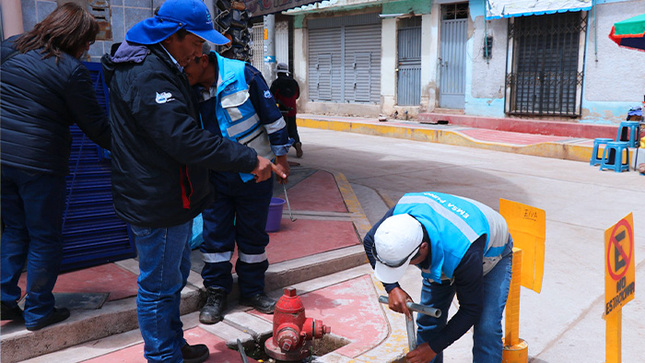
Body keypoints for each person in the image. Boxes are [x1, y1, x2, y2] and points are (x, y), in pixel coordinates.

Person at [100, 0, 283, 361]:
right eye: (197, 44)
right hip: (158, 198)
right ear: (174, 35)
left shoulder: (160, 65)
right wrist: (247, 158)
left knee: (172, 279)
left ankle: (172, 345)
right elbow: (183, 137)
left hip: (171, 193)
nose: (200, 53)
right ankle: (163, 355)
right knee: (158, 287)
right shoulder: (148, 73)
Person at [0, 3, 111, 331]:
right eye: (87, 41)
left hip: (2, 158)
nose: (87, 48)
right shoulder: (71, 70)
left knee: (15, 229)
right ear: (76, 37)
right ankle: (38, 312)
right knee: (45, 237)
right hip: (39, 163)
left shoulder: (10, 46)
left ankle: (4, 297)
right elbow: (96, 128)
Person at [184, 45, 291, 324]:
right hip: (215, 178)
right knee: (215, 239)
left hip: (256, 176)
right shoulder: (190, 89)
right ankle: (217, 292)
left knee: (253, 236)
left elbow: (273, 120)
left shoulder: (243, 75)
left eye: (187, 66)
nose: (183, 71)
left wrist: (281, 160)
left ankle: (253, 290)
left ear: (203, 60)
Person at [364, 191, 513, 363]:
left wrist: (433, 347)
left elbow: (471, 309)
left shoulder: (463, 251)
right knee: (429, 322)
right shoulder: (400, 218)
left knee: (486, 327)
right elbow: (369, 241)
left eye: (408, 263)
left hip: (491, 254)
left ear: (423, 247)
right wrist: (392, 287)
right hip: (451, 239)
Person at [270, 63, 302, 157]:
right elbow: (297, 95)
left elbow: (272, 97)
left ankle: (281, 150)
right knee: (293, 129)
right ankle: (297, 143)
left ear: (278, 73)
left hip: (281, 111)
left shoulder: (276, 83)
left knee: (280, 129)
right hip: (292, 110)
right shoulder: (294, 82)